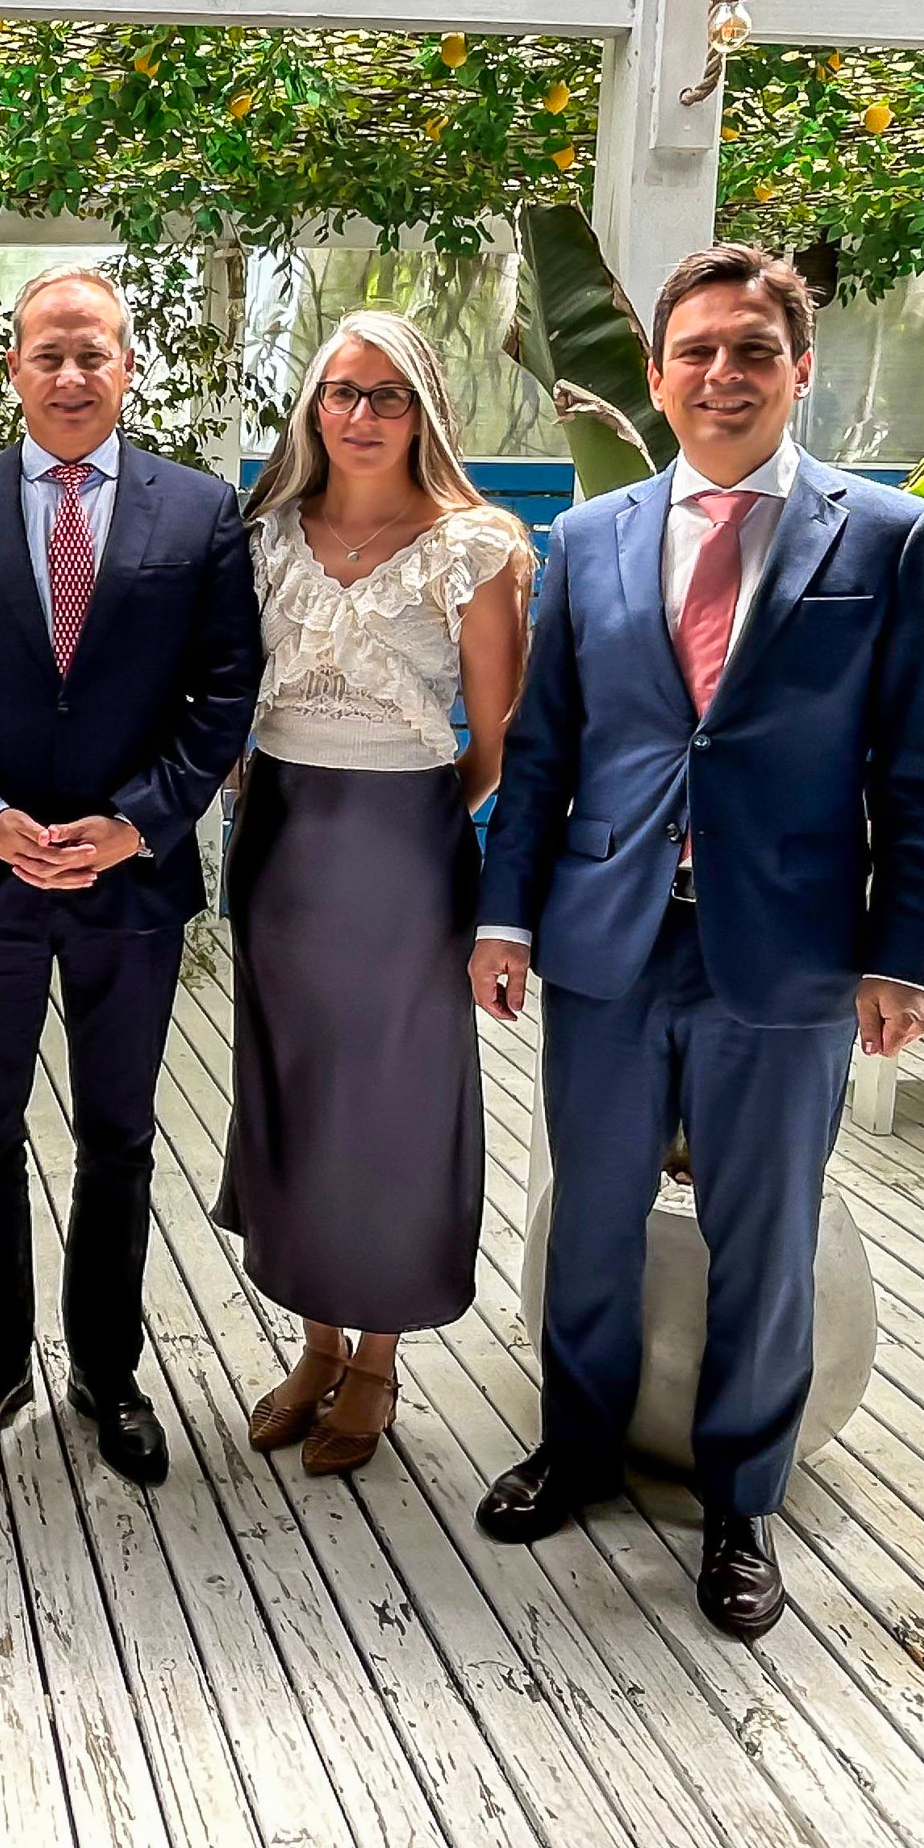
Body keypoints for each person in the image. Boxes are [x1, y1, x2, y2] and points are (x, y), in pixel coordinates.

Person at [468, 243, 924, 1639]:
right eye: (697, 351)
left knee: (766, 1230)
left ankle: (743, 1500)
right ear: (660, 372)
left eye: (753, 350)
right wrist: (506, 915)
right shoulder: (590, 539)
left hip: (791, 949)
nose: (723, 374)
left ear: (799, 369)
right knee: (591, 1215)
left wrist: (905, 953)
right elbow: (545, 752)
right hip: (610, 940)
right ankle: (578, 1446)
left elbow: (921, 770)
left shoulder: (888, 539)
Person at [0, 264, 261, 1488]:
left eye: (94, 352)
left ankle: (107, 1368)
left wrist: (136, 825)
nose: (72, 373)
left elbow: (225, 694)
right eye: (50, 353)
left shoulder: (200, 512)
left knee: (121, 1135)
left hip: (129, 884)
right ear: (16, 370)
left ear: (127, 367)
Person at [215, 312, 528, 1477]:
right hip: (281, 847)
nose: (360, 414)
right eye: (341, 392)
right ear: (314, 406)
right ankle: (316, 1347)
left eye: (388, 395)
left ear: (424, 412)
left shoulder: (475, 547)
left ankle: (379, 1361)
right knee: (293, 1090)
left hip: (406, 856)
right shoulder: (261, 536)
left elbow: (497, 742)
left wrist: (420, 818)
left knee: (392, 1104)